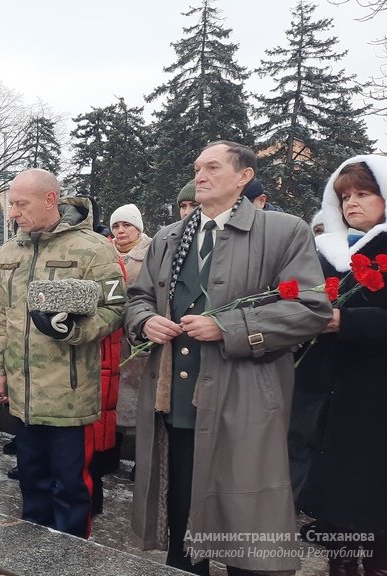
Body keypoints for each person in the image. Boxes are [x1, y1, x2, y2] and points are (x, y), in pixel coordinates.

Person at [124, 141, 332, 575]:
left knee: (246, 523)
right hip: (177, 400)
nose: (200, 175)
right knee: (180, 510)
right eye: (197, 167)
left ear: (243, 177)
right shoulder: (169, 237)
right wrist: (145, 322)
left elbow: (310, 309)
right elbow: (138, 298)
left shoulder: (284, 231)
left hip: (245, 402)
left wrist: (229, 328)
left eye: (212, 167)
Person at [0, 169, 125, 538]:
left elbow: (116, 309)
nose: (13, 212)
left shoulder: (93, 248)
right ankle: (34, 553)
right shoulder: (9, 251)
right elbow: (1, 315)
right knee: (31, 483)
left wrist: (76, 330)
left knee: (70, 489)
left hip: (69, 394)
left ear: (50, 200)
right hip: (22, 394)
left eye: (21, 203)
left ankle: (70, 559)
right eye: (10, 204)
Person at [293, 156, 387, 576]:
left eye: (364, 194)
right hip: (328, 394)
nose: (351, 203)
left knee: (375, 505)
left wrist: (343, 320)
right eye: (344, 196)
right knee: (337, 511)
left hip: (376, 395)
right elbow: (295, 296)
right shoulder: (328, 251)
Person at [110, 204, 153, 476]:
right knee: (113, 398)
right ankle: (109, 455)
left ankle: (143, 461)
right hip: (112, 337)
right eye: (116, 226)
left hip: (138, 338)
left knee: (141, 402)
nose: (121, 230)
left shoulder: (152, 253)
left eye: (126, 225)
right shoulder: (105, 253)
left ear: (138, 227)